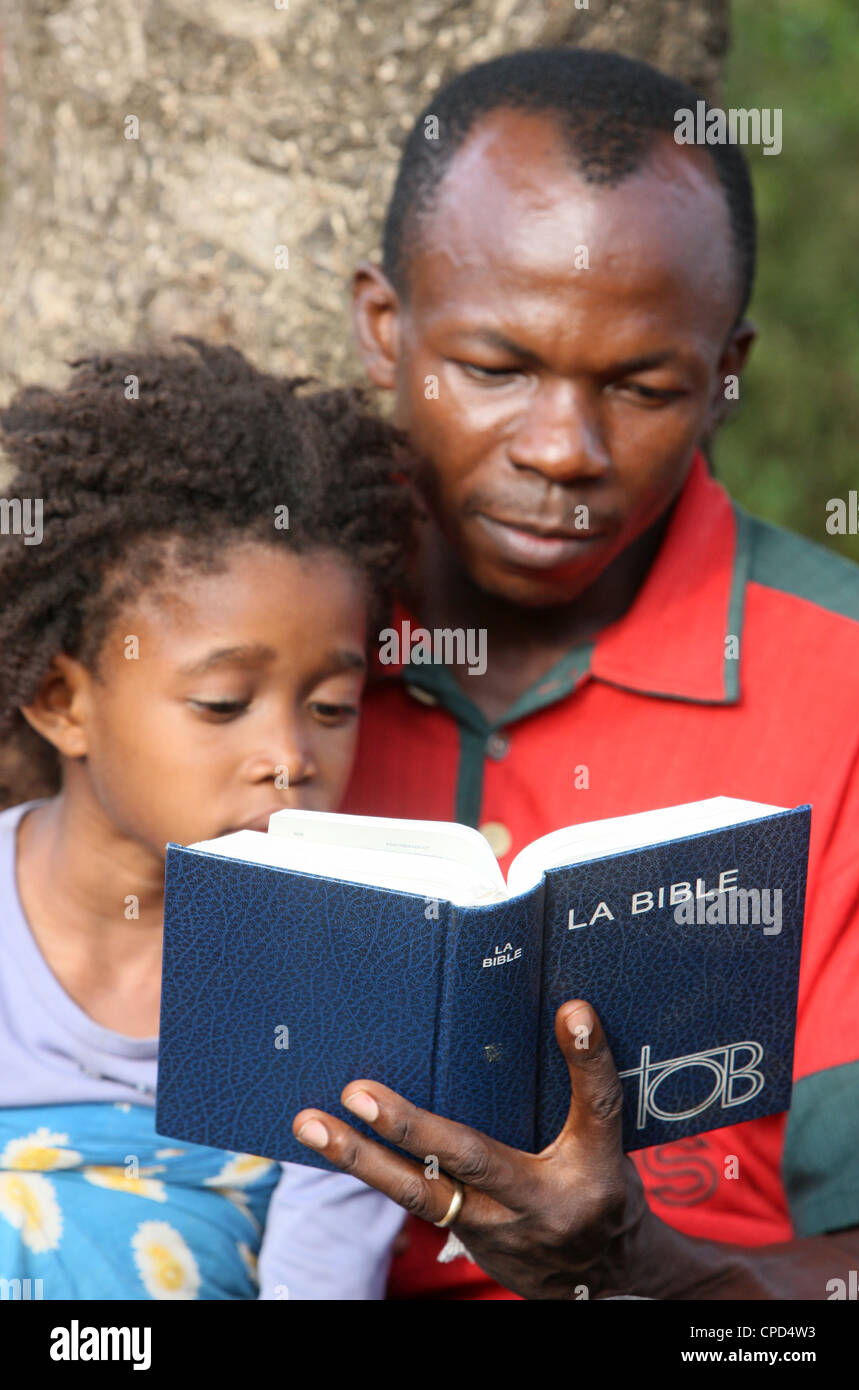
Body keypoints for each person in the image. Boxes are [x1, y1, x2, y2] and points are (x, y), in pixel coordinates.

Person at [294, 48, 859, 1298]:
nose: (562, 448)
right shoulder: (254, 640)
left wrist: (641, 1271)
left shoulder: (845, 688)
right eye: (495, 369)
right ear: (385, 326)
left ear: (724, 376)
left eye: (643, 386)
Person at [0, 340, 412, 1299]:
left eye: (331, 706)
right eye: (224, 703)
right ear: (64, 702)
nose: (290, 756)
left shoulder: (336, 998)